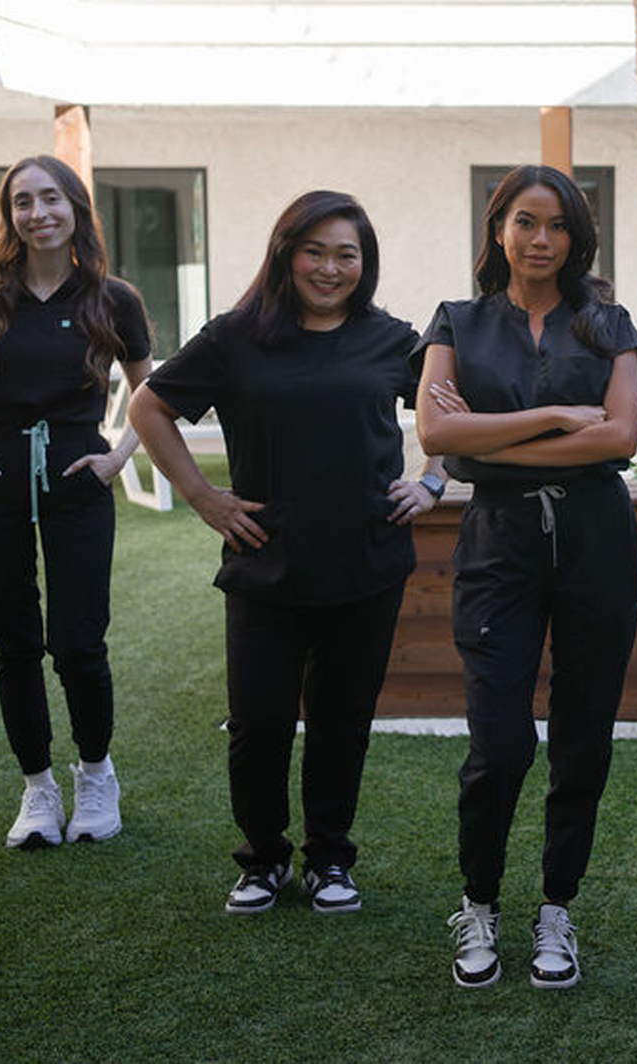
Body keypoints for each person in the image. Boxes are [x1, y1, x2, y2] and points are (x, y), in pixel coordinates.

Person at [129, 190, 443, 914]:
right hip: (265, 561)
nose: (330, 269)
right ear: (285, 252)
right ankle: (263, 859)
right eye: (316, 251)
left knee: (341, 723)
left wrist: (431, 480)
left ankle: (330, 859)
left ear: (365, 265)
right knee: (259, 724)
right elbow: (149, 406)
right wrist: (204, 498)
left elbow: (454, 407)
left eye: (347, 255)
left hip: (366, 562)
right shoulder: (237, 338)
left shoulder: (392, 340)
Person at [414, 165, 637, 991]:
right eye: (525, 222)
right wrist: (556, 417)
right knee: (501, 744)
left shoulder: (608, 323)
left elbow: (620, 437)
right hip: (498, 549)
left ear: (576, 237)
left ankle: (557, 906)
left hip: (596, 542)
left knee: (582, 739)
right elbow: (436, 434)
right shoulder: (458, 321)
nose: (541, 239)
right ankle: (478, 902)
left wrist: (490, 445)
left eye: (557, 226)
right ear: (498, 229)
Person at [0, 154, 153, 850]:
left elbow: (152, 394)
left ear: (76, 208)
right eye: (23, 202)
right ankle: (36, 790)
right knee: (14, 644)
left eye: (50, 199)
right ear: (10, 216)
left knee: (79, 643)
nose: (38, 214)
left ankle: (95, 775)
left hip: (76, 477)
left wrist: (119, 457)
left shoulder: (112, 298)